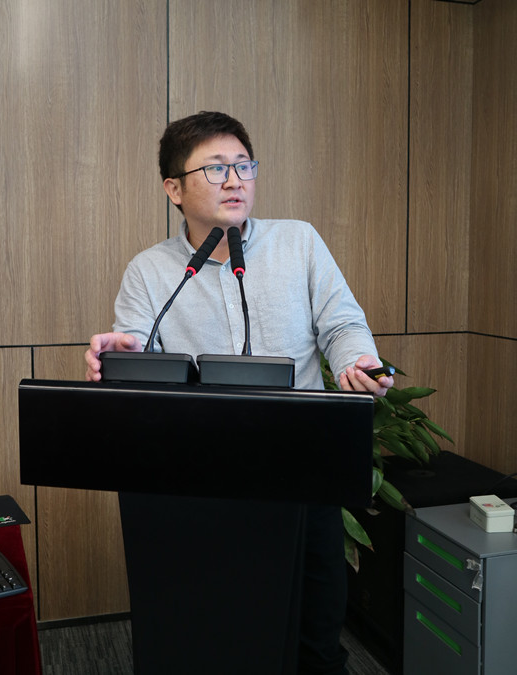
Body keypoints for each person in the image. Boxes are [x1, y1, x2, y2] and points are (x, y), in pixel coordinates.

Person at [85, 111, 393, 675]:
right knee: (218, 629)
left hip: (303, 470)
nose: (235, 180)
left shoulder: (298, 242)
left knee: (316, 631)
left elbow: (342, 323)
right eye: (216, 168)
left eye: (244, 166)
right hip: (202, 483)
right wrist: (123, 358)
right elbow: (138, 357)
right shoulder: (150, 272)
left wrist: (356, 360)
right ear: (174, 189)